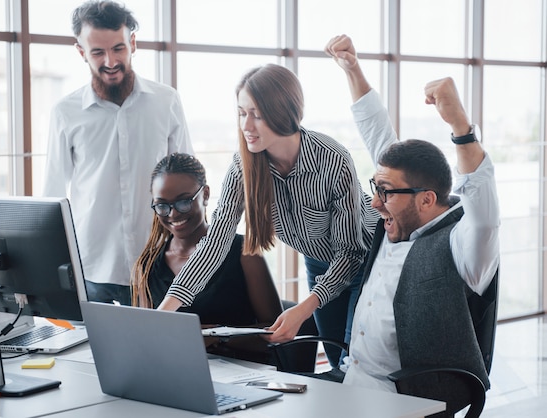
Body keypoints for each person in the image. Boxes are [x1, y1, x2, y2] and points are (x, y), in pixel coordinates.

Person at [158, 62, 380, 373]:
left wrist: (304, 308)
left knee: (352, 365)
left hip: (366, 261)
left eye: (257, 114)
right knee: (334, 362)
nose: (246, 125)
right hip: (319, 260)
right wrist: (165, 311)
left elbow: (350, 252)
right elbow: (215, 244)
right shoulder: (244, 166)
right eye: (241, 112)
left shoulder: (332, 160)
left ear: (284, 113)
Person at [323, 34, 500, 392]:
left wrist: (460, 127)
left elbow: (485, 213)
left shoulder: (463, 247)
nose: (374, 203)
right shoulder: (398, 212)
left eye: (385, 193)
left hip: (406, 401)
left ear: (426, 199)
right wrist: (352, 69)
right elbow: (378, 135)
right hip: (350, 383)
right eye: (377, 188)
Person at [43, 0, 192, 305]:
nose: (110, 61)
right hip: (93, 268)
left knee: (160, 352)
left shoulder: (166, 102)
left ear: (132, 43)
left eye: (118, 48)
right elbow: (52, 195)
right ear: (81, 52)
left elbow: (189, 183)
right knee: (91, 354)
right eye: (98, 52)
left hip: (158, 265)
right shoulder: (65, 112)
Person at [132, 152, 283, 362]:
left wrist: (214, 337)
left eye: (183, 202)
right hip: (176, 372)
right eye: (162, 205)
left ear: (205, 194)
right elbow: (148, 334)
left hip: (242, 372)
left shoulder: (244, 252)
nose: (173, 214)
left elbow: (275, 331)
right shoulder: (148, 264)